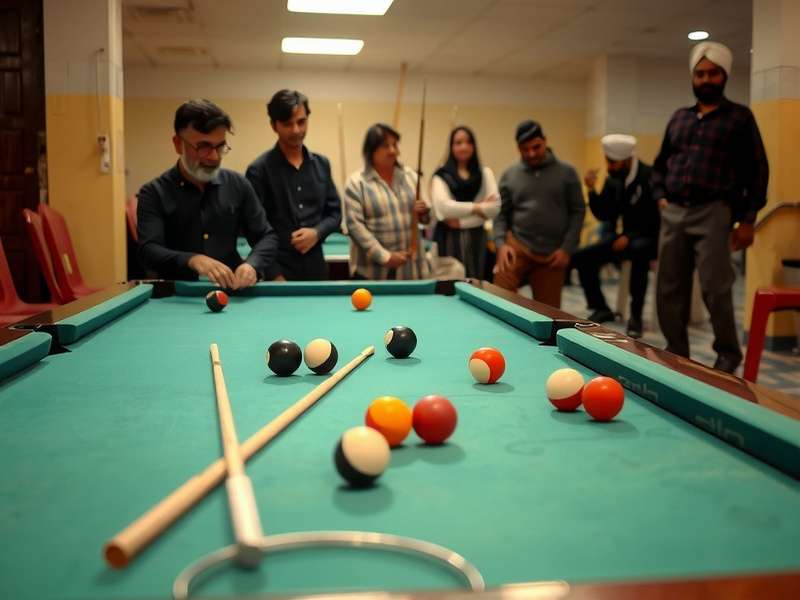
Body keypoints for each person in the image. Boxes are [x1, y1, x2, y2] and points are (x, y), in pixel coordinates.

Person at [652, 41, 769, 373]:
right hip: (674, 211)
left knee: (715, 287)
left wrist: (748, 220)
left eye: (713, 73)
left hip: (714, 212)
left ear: (724, 76)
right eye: (700, 73)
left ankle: (728, 354)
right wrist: (660, 195)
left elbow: (758, 171)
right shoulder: (679, 118)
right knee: (668, 286)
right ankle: (676, 350)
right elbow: (659, 165)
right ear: (693, 77)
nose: (706, 79)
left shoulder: (740, 118)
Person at [137, 99, 278, 288]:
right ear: (178, 144)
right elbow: (148, 251)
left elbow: (266, 237)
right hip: (176, 295)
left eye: (220, 146)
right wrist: (192, 259)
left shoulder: (238, 184)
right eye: (203, 147)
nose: (214, 157)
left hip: (232, 293)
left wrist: (252, 264)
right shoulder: (153, 193)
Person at [245, 90, 341, 280]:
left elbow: (335, 214)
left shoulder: (322, 164)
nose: (296, 130)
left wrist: (316, 232)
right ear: (274, 125)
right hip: (277, 270)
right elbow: (253, 229)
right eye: (287, 124)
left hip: (317, 268)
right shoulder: (258, 170)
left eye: (301, 122)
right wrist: (273, 273)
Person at [572, 134, 660, 338]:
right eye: (608, 161)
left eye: (613, 162)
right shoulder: (614, 179)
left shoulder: (649, 176)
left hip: (648, 238)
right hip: (622, 239)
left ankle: (636, 316)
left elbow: (656, 219)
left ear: (627, 160)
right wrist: (591, 190)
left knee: (638, 252)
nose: (609, 167)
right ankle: (600, 306)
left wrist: (629, 236)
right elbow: (604, 213)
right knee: (582, 257)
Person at [493, 120, 585, 307]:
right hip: (518, 247)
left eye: (536, 147)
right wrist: (501, 244)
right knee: (499, 298)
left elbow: (578, 211)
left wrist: (566, 249)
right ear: (518, 148)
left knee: (548, 312)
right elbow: (500, 213)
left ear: (545, 141)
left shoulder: (567, 173)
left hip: (553, 253)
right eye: (524, 149)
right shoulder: (509, 175)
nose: (531, 154)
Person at [344, 123, 431, 279]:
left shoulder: (411, 176)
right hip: (372, 273)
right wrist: (385, 257)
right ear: (371, 150)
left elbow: (428, 218)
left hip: (410, 271)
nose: (392, 151)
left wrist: (424, 212)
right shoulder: (357, 182)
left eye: (395, 145)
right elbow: (355, 227)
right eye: (385, 146)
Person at [430, 126, 500, 279]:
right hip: (448, 238)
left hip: (477, 239)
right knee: (450, 282)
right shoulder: (441, 175)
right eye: (458, 142)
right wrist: (479, 207)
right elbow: (444, 209)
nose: (464, 147)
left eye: (468, 142)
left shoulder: (485, 173)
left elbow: (494, 208)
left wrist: (461, 222)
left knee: (475, 281)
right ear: (451, 146)